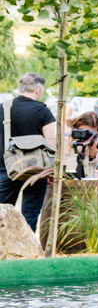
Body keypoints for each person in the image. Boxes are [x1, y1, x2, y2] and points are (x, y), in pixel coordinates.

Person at [0, 74, 57, 231]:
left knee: (1, 212)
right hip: (36, 171)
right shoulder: (42, 111)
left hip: (6, 169)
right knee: (30, 214)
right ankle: (26, 253)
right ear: (38, 90)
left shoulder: (3, 108)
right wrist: (51, 171)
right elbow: (51, 142)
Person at [69, 111, 98, 178]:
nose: (89, 135)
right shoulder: (68, 133)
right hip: (69, 175)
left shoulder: (97, 137)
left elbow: (97, 163)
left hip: (87, 177)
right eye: (87, 131)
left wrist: (92, 155)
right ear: (79, 125)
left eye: (93, 132)